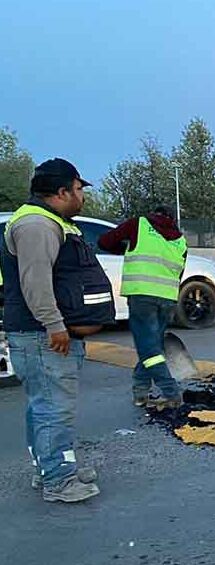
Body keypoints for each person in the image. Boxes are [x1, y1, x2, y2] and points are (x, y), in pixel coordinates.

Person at [1, 158, 115, 503]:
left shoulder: (49, 222)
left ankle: (51, 469)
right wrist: (55, 326)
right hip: (43, 337)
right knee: (53, 409)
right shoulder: (36, 225)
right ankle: (58, 480)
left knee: (44, 406)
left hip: (42, 336)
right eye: (79, 189)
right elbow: (35, 281)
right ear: (62, 191)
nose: (82, 196)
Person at [98, 205, 188, 408]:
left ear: (153, 213)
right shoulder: (180, 240)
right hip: (167, 298)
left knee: (149, 351)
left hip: (142, 296)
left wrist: (126, 248)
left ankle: (171, 393)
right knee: (152, 348)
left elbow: (104, 242)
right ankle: (140, 392)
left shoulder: (138, 224)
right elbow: (179, 273)